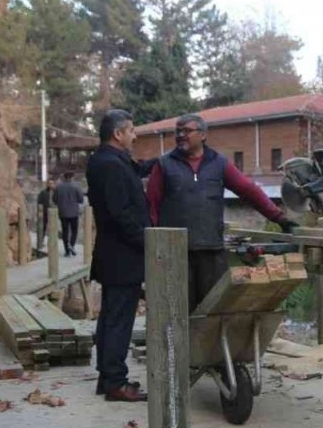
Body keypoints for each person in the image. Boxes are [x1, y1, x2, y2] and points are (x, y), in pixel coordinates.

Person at [146, 113, 297, 311]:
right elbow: (151, 206)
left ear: (202, 135)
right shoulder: (164, 164)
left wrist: (280, 218)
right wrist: (153, 245)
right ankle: (181, 344)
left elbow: (249, 191)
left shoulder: (219, 163)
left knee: (213, 309)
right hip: (175, 253)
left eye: (187, 131)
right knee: (176, 311)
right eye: (178, 131)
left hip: (211, 251)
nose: (181, 135)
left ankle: (210, 344)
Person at [85, 109, 149, 402]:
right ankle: (115, 382)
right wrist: (149, 241)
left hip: (116, 254)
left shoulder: (108, 161)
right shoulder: (110, 165)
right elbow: (120, 214)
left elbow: (136, 170)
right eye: (132, 130)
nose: (135, 136)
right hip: (122, 256)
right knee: (119, 320)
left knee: (112, 317)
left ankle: (108, 377)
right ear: (118, 134)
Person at [53, 171, 85, 256]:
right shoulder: (76, 187)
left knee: (65, 231)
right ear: (72, 177)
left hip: (63, 212)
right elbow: (81, 200)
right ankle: (72, 245)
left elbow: (54, 200)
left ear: (64, 177)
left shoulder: (59, 187)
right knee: (74, 230)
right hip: (74, 213)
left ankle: (67, 251)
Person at [36, 178, 56, 250]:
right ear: (47, 184)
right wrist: (40, 212)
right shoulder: (43, 192)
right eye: (49, 183)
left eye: (52, 183)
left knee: (53, 228)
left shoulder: (56, 192)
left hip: (54, 213)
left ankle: (52, 242)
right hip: (45, 212)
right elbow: (39, 202)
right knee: (43, 227)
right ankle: (41, 241)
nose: (51, 185)